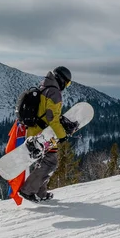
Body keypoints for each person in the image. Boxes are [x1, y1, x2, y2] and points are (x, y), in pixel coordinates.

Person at [19, 66, 78, 203]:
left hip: (35, 132)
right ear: (61, 79)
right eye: (67, 83)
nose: (66, 86)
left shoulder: (44, 87)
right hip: (44, 135)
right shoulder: (54, 92)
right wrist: (62, 135)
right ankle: (27, 190)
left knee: (43, 162)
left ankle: (41, 192)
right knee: (50, 162)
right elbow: (53, 118)